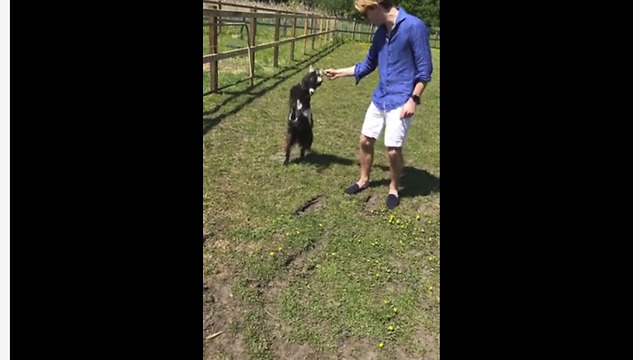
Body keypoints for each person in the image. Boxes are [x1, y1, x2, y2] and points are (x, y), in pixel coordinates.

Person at [325, 0, 433, 209]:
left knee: (392, 148)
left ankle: (393, 188)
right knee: (365, 140)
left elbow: (424, 71)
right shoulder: (380, 34)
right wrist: (340, 72)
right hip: (380, 97)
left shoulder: (414, 26)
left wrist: (414, 99)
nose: (367, 20)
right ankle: (363, 180)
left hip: (402, 99)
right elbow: (368, 64)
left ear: (375, 7)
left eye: (366, 14)